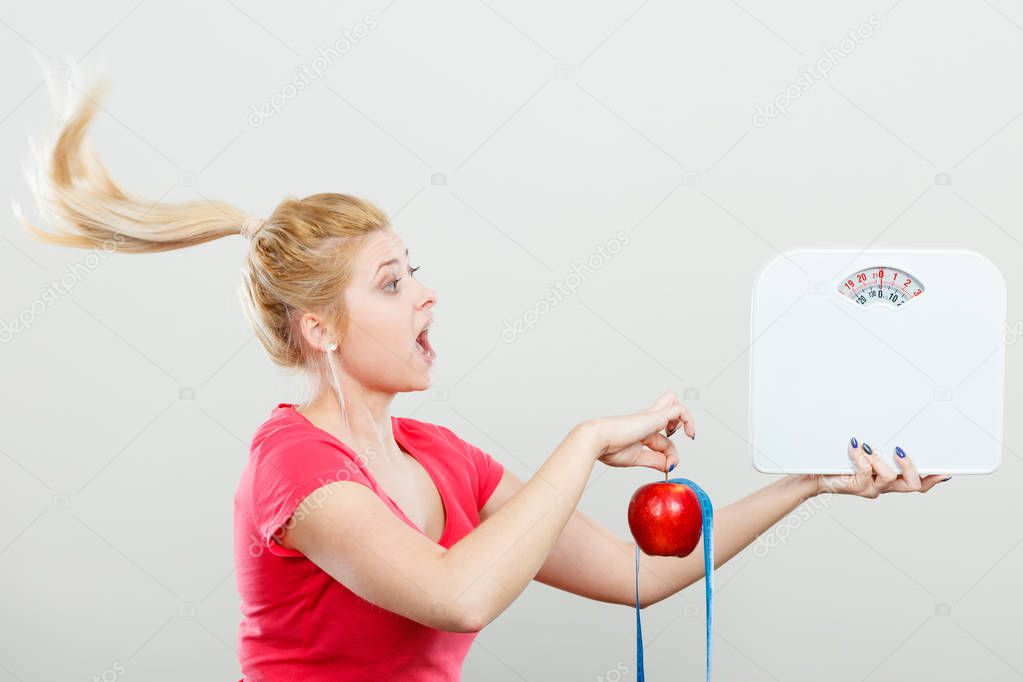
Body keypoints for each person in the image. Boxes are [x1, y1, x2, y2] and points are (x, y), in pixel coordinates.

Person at [18, 82, 952, 682]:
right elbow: (456, 594)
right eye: (392, 284)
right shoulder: (293, 468)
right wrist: (584, 441)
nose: (427, 295)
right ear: (320, 329)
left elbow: (640, 578)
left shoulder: (441, 458)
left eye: (413, 270)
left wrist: (809, 484)